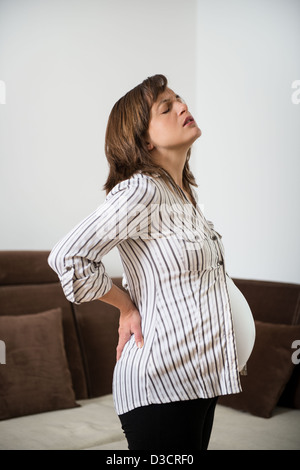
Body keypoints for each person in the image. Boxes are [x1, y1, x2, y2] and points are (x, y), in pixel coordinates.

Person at [48, 74, 252, 451]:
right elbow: (68, 257)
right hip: (162, 383)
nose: (183, 107)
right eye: (166, 106)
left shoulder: (182, 196)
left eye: (179, 99)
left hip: (198, 379)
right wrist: (125, 306)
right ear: (144, 139)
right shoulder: (142, 190)